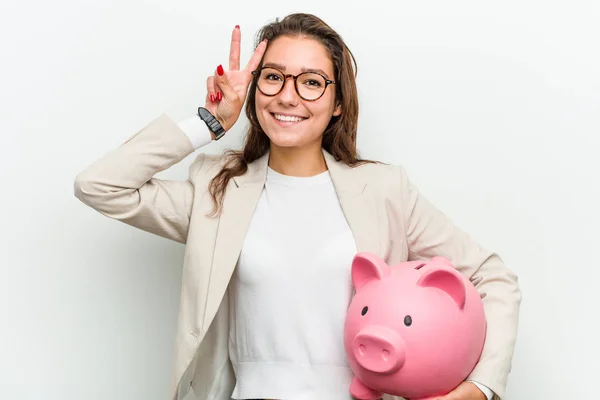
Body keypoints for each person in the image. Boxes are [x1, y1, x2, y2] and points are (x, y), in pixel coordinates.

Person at [74, 12, 521, 400]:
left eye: (311, 82)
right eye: (273, 77)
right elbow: (99, 186)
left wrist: (478, 387)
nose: (288, 96)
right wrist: (210, 120)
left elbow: (492, 277)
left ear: (339, 102)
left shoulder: (384, 190)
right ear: (254, 91)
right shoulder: (217, 191)